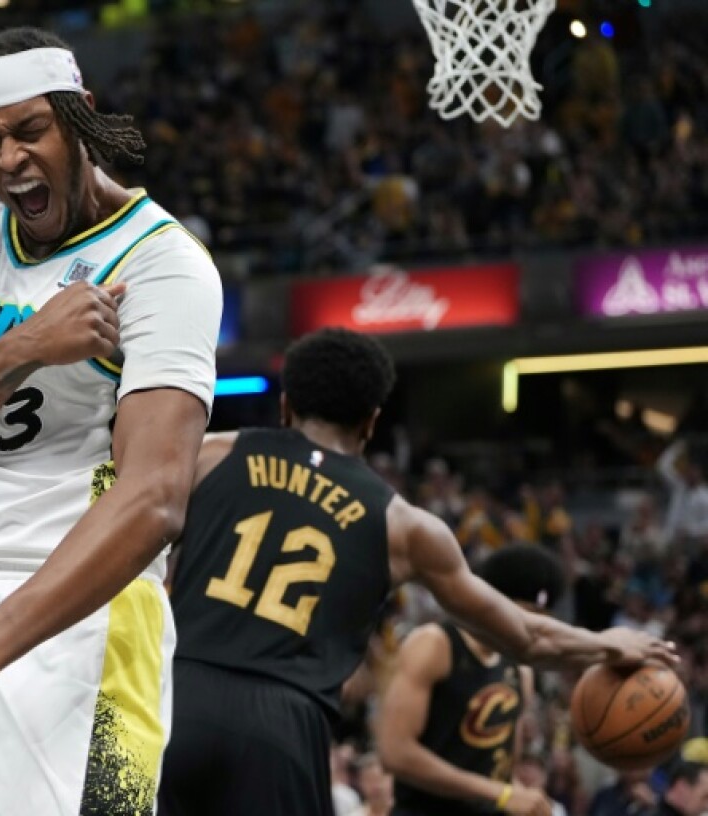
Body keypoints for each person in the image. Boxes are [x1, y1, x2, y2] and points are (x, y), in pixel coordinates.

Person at [0, 25, 221, 816]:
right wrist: (23, 347)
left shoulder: (164, 263)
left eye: (30, 131)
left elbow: (155, 498)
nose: (9, 160)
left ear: (80, 115)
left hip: (88, 620)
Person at [159, 327, 676, 816]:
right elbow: (524, 636)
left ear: (286, 405)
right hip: (284, 721)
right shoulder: (404, 525)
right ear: (372, 421)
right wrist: (607, 644)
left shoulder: (210, 456)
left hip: (175, 694)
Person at [377, 544, 563, 816]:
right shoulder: (434, 644)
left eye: (542, 620)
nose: (532, 628)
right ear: (492, 600)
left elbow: (500, 772)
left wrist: (523, 797)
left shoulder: (521, 671)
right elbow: (395, 752)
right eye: (527, 614)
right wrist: (497, 792)